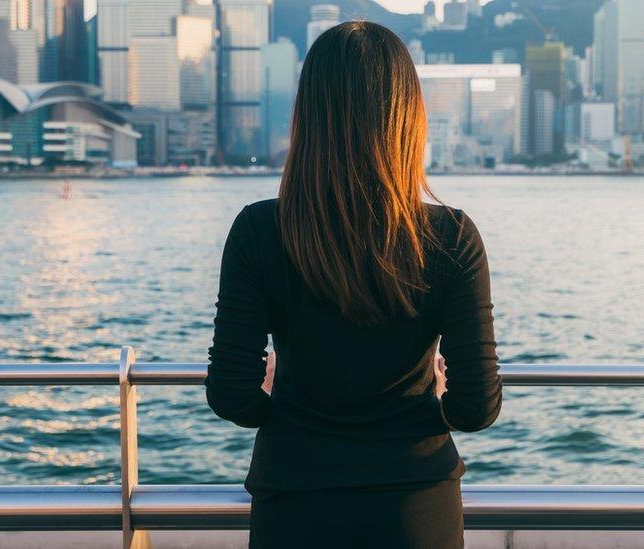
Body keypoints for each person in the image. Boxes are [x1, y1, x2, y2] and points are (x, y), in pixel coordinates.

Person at [206, 21, 502, 549]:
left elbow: (231, 394)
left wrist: (273, 400)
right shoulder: (452, 236)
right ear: (408, 117)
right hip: (415, 507)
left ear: (308, 117)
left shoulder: (258, 230)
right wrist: (437, 396)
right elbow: (476, 409)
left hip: (294, 502)